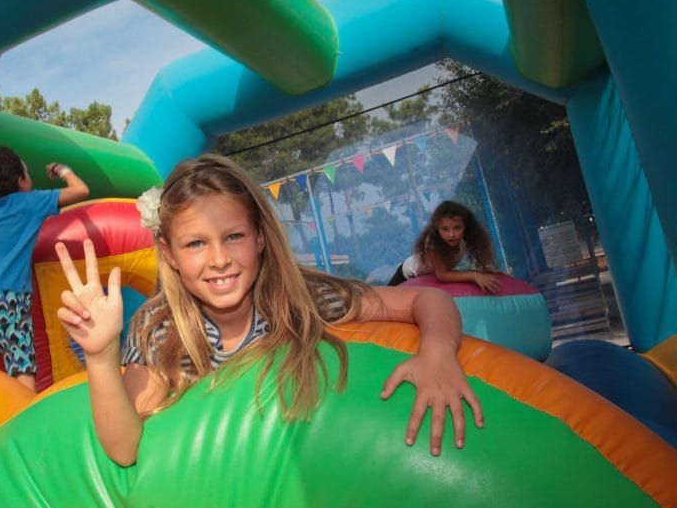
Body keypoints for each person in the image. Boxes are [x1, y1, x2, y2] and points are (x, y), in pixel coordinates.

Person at [55, 154, 483, 467]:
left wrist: (437, 354)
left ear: (260, 237)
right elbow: (125, 450)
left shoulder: (299, 300)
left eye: (234, 236)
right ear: (169, 254)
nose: (219, 259)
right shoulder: (162, 328)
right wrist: (101, 355)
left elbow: (427, 299)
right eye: (196, 243)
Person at [0, 145, 89, 390]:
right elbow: (81, 190)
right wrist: (62, 169)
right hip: (10, 295)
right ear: (21, 181)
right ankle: (27, 410)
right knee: (21, 362)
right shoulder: (31, 202)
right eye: (26, 172)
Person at [387, 200, 500, 293]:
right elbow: (442, 275)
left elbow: (481, 256)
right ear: (437, 229)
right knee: (385, 300)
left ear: (466, 227)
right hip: (407, 274)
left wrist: (489, 271)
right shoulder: (433, 244)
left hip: (428, 278)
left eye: (457, 228)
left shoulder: (467, 239)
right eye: (445, 229)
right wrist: (475, 276)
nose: (451, 234)